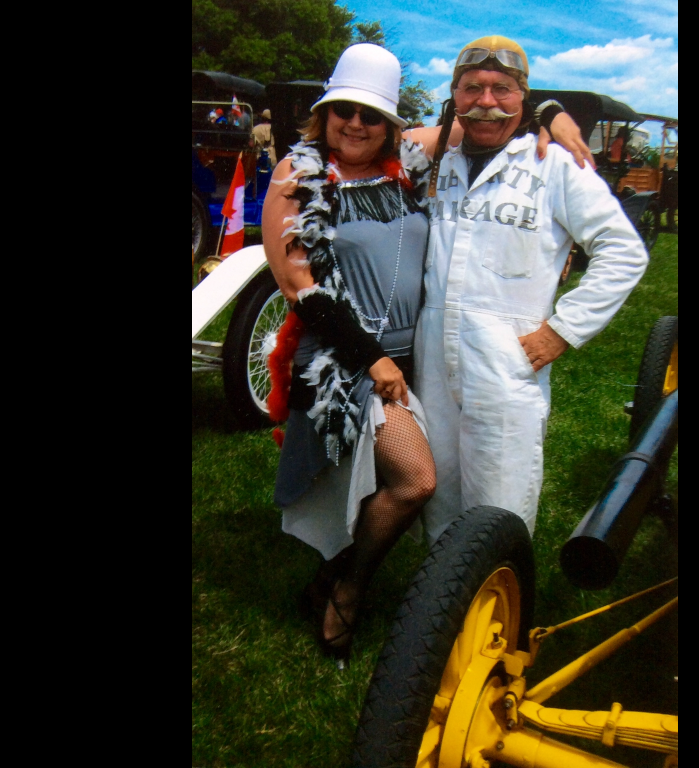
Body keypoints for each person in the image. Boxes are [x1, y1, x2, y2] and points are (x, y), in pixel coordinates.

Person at [262, 42, 591, 663]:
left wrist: (553, 112)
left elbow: (486, 114)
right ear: (324, 115)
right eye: (343, 111)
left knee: (397, 482)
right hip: (344, 357)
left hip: (416, 352)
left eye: (371, 115)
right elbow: (298, 287)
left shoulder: (411, 156)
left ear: (390, 124)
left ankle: (334, 574)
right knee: (416, 481)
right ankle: (346, 588)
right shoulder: (295, 177)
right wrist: (372, 359)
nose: (356, 124)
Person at [404, 35, 650, 544]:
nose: (487, 101)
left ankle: (499, 587)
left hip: (506, 361)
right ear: (454, 95)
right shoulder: (438, 163)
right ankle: (440, 591)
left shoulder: (554, 165)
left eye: (503, 89)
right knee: (440, 495)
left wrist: (563, 330)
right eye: (473, 88)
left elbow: (623, 250)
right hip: (431, 359)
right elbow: (376, 141)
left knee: (500, 499)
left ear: (523, 97)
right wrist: (547, 111)